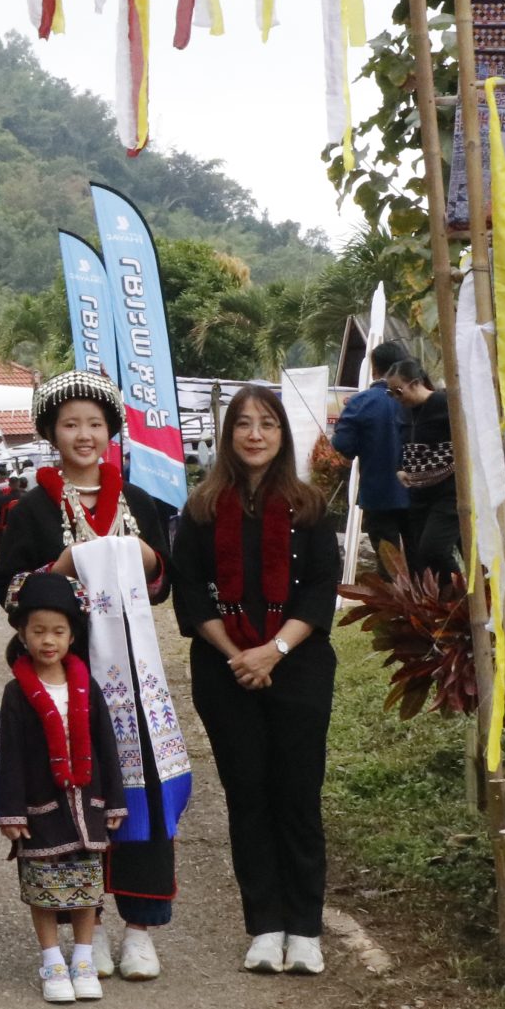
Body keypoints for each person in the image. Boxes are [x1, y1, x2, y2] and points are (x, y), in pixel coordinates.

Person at [0, 370, 184, 981]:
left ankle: (140, 929)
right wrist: (64, 566)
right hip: (62, 678)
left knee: (139, 793)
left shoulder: (139, 502)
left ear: (110, 432)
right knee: (73, 795)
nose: (83, 435)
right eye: (70, 424)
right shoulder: (32, 509)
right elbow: (11, 591)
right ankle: (87, 925)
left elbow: (162, 585)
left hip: (133, 682)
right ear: (51, 433)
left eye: (95, 424)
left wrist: (146, 558)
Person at [170, 388, 343, 977]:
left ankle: (306, 929)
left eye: (267, 424)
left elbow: (320, 589)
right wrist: (238, 655)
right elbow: (190, 593)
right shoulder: (200, 509)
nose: (254, 435)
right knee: (247, 796)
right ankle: (265, 927)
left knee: (298, 796)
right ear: (228, 436)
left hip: (298, 666)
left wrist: (273, 651)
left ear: (282, 434)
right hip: (225, 671)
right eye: (243, 424)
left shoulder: (309, 507)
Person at [0, 571, 125, 1006]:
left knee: (87, 886)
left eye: (58, 631)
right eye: (38, 631)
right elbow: (10, 756)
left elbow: (107, 747)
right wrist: (12, 811)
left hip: (88, 804)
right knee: (43, 886)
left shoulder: (87, 687)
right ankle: (51, 960)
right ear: (22, 634)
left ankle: (83, 958)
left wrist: (115, 802)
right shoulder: (16, 693)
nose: (48, 640)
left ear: (72, 635)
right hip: (41, 808)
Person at [328, 340, 412, 561]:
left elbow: (342, 444)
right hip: (418, 494)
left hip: (377, 495)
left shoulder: (360, 402)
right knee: (421, 561)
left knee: (390, 564)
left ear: (374, 369)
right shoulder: (416, 400)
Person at [383, 361, 462, 582]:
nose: (396, 397)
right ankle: (448, 595)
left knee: (433, 549)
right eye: (390, 393)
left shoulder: (444, 403)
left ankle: (462, 590)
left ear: (415, 383)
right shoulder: (404, 412)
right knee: (422, 556)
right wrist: (401, 468)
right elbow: (404, 444)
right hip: (418, 493)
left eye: (398, 391)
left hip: (449, 491)